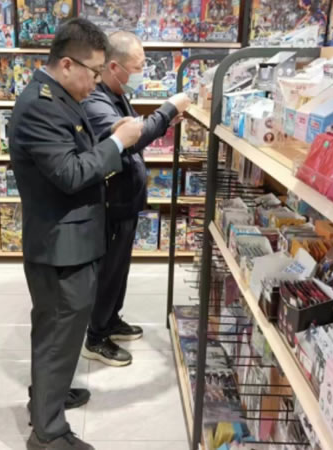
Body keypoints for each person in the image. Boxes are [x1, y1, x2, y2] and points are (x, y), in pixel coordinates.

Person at [9, 19, 143, 450]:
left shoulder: (60, 98)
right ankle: (48, 433)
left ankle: (48, 398)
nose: (98, 80)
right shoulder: (41, 105)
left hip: (69, 241)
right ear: (67, 64)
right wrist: (117, 143)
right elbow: (69, 173)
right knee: (58, 333)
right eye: (94, 71)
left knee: (58, 332)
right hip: (59, 248)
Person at [80, 31, 191, 367]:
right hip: (110, 204)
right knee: (109, 272)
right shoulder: (95, 101)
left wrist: (165, 121)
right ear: (114, 67)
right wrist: (168, 110)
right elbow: (130, 137)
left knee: (120, 270)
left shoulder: (116, 94)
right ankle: (96, 337)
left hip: (125, 201)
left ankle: (111, 320)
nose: (143, 73)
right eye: (138, 67)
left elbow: (137, 134)